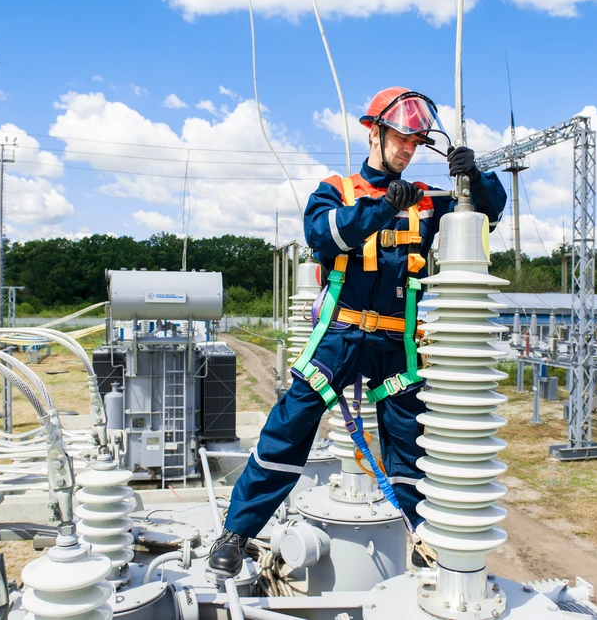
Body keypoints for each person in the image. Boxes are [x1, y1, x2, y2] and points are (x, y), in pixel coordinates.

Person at [208, 87, 507, 577]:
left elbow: (486, 215)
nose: (409, 150)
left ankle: (421, 538)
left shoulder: (428, 204)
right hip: (341, 335)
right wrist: (384, 206)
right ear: (374, 132)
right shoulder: (337, 190)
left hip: (395, 342)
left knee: (411, 439)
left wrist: (473, 176)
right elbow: (324, 236)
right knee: (290, 425)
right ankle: (237, 532)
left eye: (416, 143)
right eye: (401, 138)